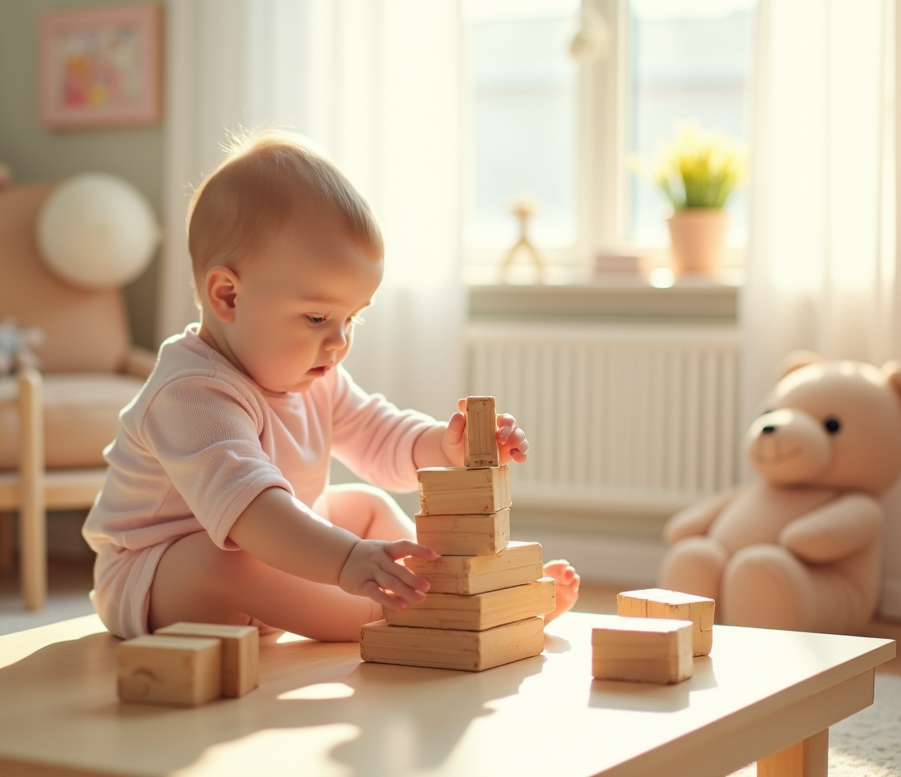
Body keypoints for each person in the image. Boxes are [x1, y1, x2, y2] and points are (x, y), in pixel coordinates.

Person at [82, 130, 580, 641]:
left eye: (352, 319)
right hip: (157, 578)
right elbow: (253, 512)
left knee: (363, 506)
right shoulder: (191, 392)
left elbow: (380, 436)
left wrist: (444, 446)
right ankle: (425, 618)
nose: (338, 341)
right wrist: (345, 561)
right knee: (229, 558)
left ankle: (457, 590)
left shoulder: (315, 376)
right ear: (228, 296)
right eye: (317, 317)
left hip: (271, 550)